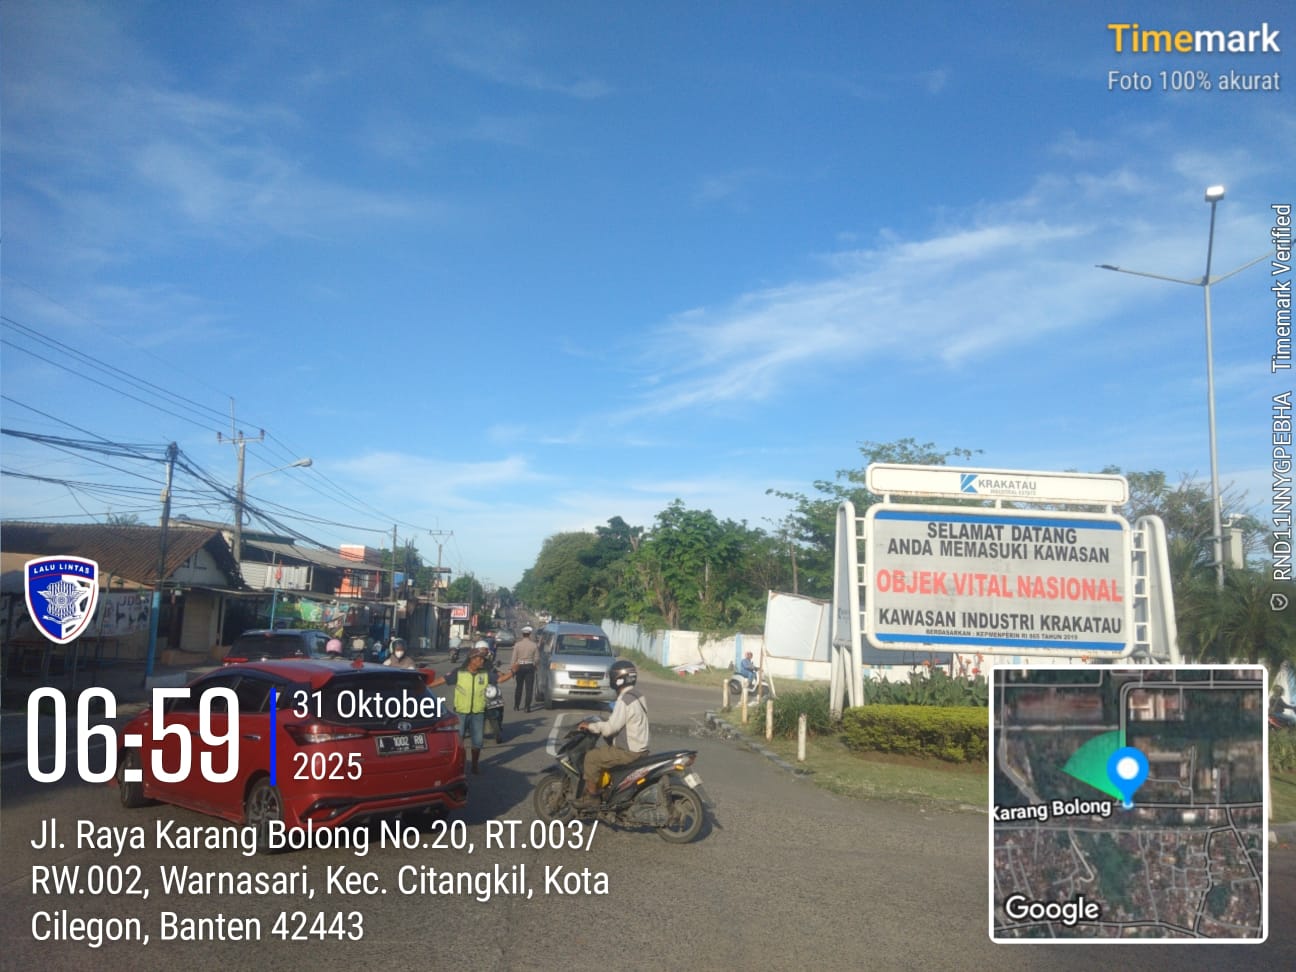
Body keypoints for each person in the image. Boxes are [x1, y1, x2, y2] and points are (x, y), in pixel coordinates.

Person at [428, 643, 514, 774]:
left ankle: (474, 765)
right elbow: (442, 680)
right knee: (459, 740)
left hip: (478, 713)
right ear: (472, 660)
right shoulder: (459, 672)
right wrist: (425, 687)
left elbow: (501, 679)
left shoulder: (485, 674)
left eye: (483, 659)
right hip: (461, 713)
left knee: (477, 741)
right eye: (479, 659)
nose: (482, 661)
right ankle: (458, 764)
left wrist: (513, 671)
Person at [574, 659, 649, 809]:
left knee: (591, 758)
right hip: (641, 748)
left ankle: (592, 797)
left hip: (629, 752)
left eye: (612, 676)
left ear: (618, 679)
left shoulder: (624, 700)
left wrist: (591, 726)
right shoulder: (638, 695)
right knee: (606, 747)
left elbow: (609, 729)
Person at [511, 625, 539, 711]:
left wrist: (512, 669)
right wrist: (535, 664)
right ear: (529, 634)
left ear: (522, 634)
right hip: (529, 666)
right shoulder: (534, 645)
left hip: (519, 666)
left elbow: (514, 658)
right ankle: (527, 707)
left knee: (519, 687)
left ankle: (516, 706)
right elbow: (537, 658)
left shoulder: (517, 645)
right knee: (529, 688)